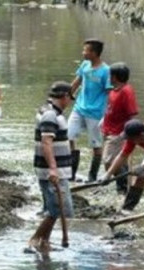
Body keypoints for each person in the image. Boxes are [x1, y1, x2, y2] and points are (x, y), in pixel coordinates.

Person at [27, 81, 74, 253]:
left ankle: (43, 241)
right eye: (69, 98)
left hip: (53, 169)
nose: (70, 102)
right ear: (65, 97)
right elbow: (47, 142)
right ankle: (35, 239)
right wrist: (53, 169)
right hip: (53, 171)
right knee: (60, 208)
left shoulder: (48, 111)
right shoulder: (50, 115)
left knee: (53, 208)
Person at [67, 39, 111, 181]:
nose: (83, 53)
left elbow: (110, 93)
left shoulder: (106, 71)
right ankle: (71, 173)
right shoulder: (85, 65)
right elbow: (77, 80)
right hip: (79, 108)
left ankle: (92, 177)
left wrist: (109, 114)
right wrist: (68, 95)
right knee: (69, 136)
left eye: (86, 50)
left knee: (96, 145)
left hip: (96, 112)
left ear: (94, 53)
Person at [101, 62, 139, 191]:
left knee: (108, 161)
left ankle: (122, 187)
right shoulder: (113, 91)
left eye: (110, 75)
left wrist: (129, 136)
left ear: (115, 77)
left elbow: (132, 115)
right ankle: (122, 187)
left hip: (118, 133)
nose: (108, 78)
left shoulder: (126, 91)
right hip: (108, 130)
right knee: (111, 161)